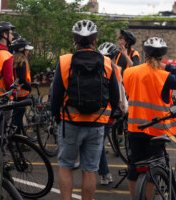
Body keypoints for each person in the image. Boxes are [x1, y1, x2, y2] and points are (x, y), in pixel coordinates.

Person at [50, 20, 120, 200]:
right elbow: (114, 95)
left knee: (65, 166)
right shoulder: (106, 62)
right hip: (97, 125)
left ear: (74, 40)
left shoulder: (65, 61)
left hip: (70, 123)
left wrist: (58, 118)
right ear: (95, 41)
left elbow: (55, 95)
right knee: (90, 170)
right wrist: (109, 117)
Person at [123, 37, 176, 199]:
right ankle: (148, 196)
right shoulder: (163, 75)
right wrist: (166, 66)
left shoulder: (130, 72)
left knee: (135, 166)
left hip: (135, 128)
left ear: (145, 53)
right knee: (154, 167)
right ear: (162, 57)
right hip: (156, 130)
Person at [97, 42, 128, 185]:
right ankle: (104, 173)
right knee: (99, 144)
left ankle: (104, 173)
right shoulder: (116, 69)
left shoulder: (94, 67)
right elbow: (120, 92)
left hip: (97, 112)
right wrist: (122, 108)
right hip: (110, 112)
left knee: (98, 144)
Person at [10, 38, 34, 135]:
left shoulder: (12, 59)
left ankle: (14, 139)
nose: (28, 51)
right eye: (27, 49)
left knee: (15, 118)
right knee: (18, 119)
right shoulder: (22, 62)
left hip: (14, 94)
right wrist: (29, 87)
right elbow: (22, 79)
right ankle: (18, 142)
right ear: (22, 50)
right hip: (22, 94)